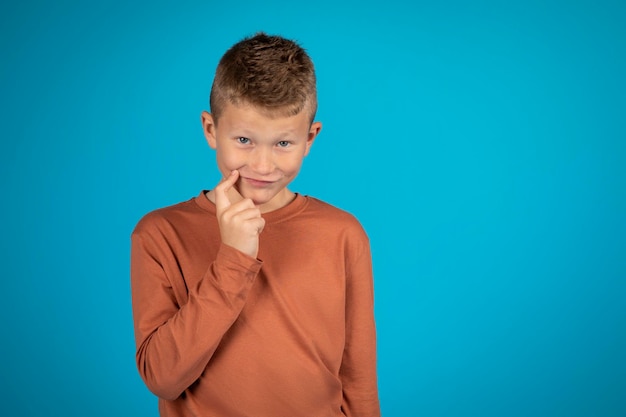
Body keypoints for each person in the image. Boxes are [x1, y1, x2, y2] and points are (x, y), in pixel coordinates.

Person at [130, 32, 381, 417]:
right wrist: (232, 259)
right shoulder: (160, 234)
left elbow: (358, 380)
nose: (263, 166)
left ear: (310, 138)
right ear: (211, 130)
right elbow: (163, 378)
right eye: (244, 139)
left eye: (283, 143)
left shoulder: (343, 234)